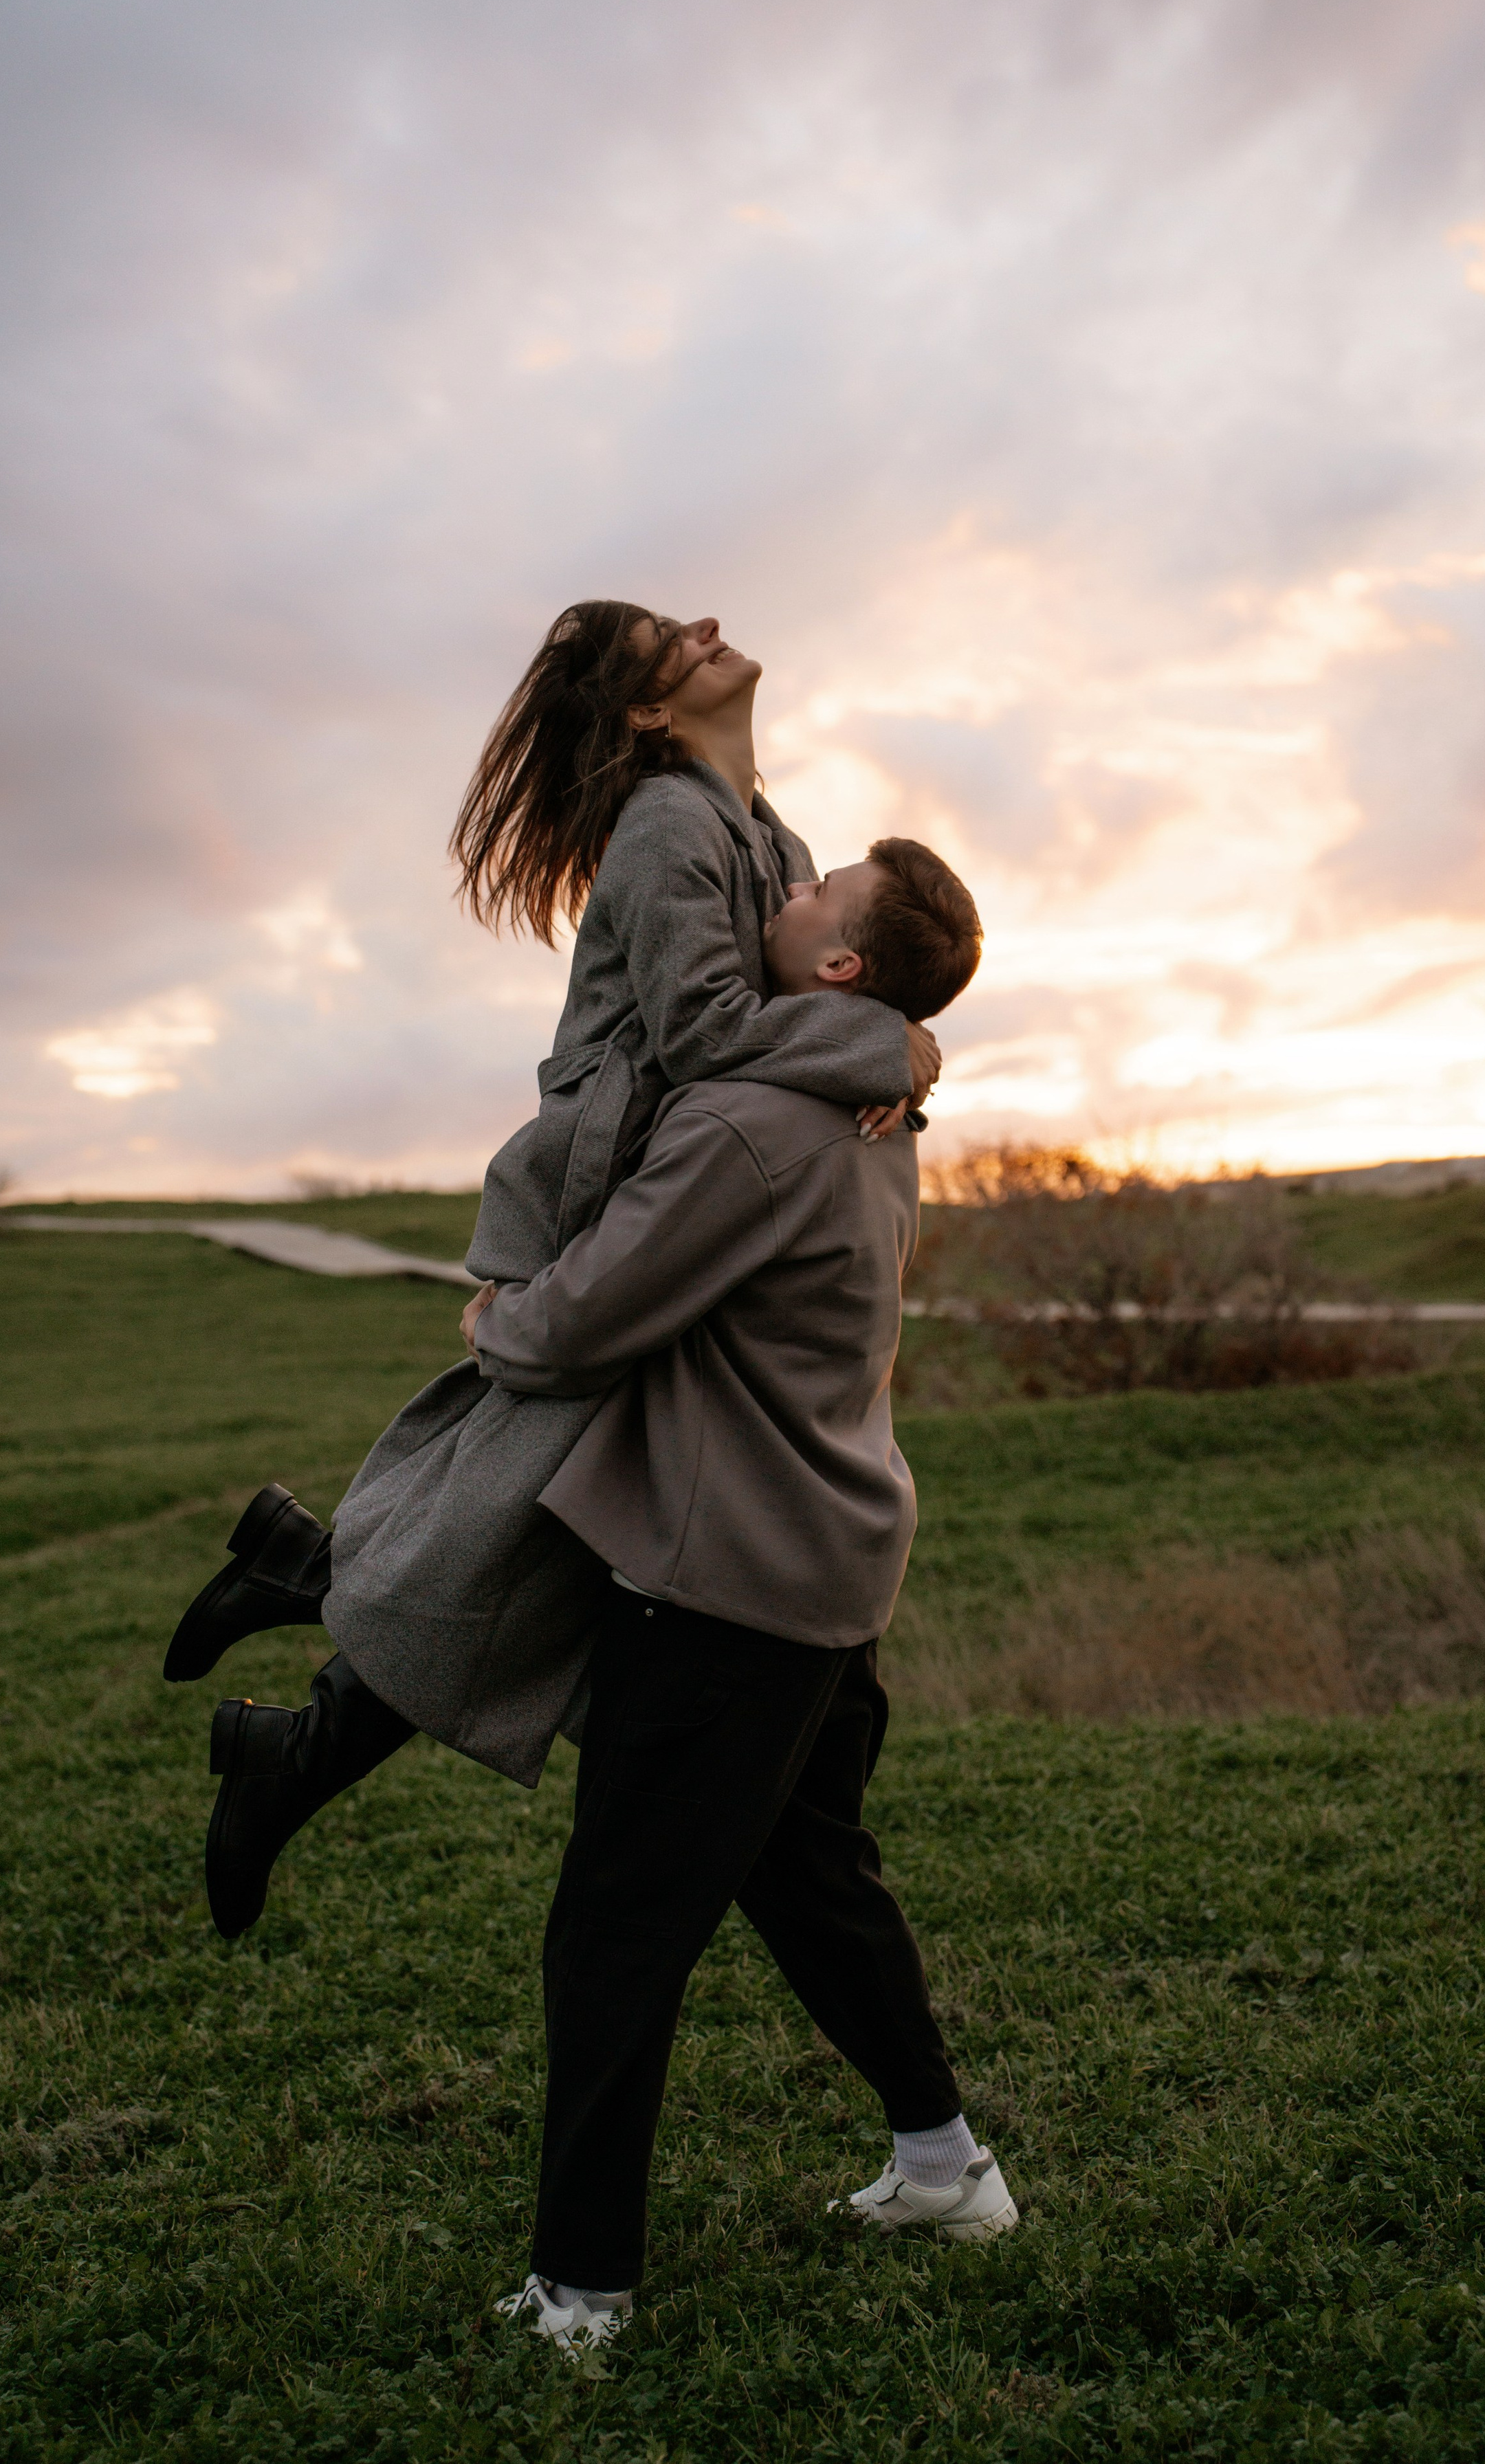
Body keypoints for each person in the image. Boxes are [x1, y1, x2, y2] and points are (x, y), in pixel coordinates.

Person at [167, 603, 940, 1918]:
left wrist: (894, 1045)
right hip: (615, 1198)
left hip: (690, 1202)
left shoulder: (779, 837)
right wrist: (888, 1049)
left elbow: (814, 1002)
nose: (706, 624)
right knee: (519, 1508)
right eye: (670, 645)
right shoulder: (667, 827)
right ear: (649, 714)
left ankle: (299, 1619)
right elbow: (706, 1031)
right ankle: (299, 1645)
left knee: (533, 1516)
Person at [463, 835, 1013, 2350]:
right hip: (828, 1553)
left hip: (728, 1582)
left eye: (810, 897)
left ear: (836, 970)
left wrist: (500, 1314)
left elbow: (587, 1318)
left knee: (614, 1932)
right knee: (808, 1876)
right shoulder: (875, 1096)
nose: (779, 895)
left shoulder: (759, 1127)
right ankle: (942, 2169)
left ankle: (580, 2290)